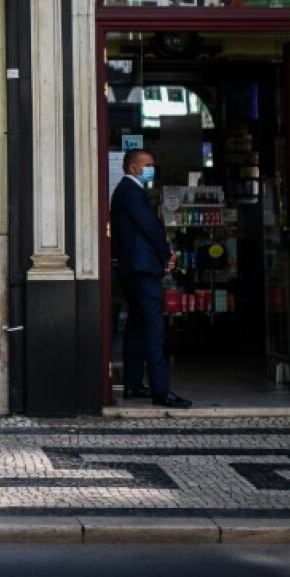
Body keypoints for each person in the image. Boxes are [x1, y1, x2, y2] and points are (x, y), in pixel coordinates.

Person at [110, 149, 192, 409]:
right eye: (148, 165)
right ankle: (161, 390)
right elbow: (150, 227)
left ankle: (134, 383)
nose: (151, 169)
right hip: (142, 268)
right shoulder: (130, 192)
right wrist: (167, 255)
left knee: (136, 326)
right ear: (134, 168)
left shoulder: (128, 191)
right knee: (154, 328)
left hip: (135, 267)